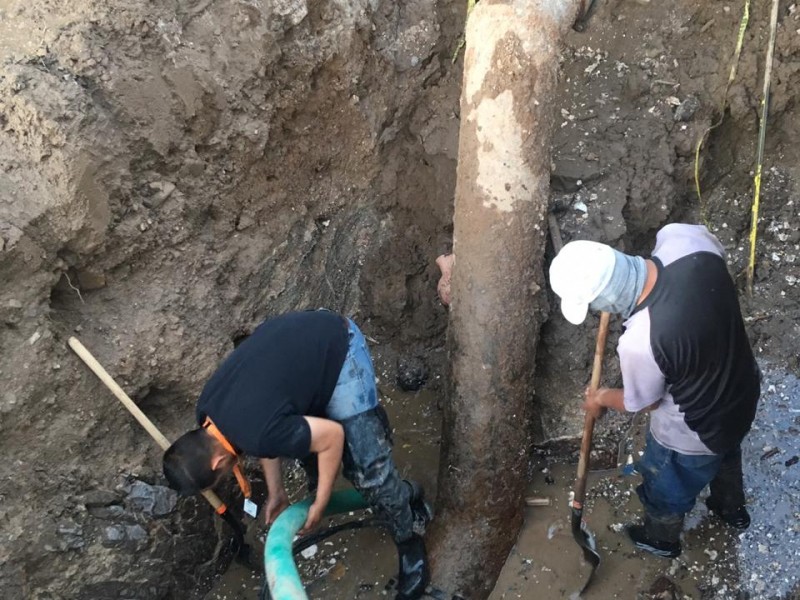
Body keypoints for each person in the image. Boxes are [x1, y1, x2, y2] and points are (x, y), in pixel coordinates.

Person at [163, 309, 431, 599]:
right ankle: (389, 482)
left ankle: (409, 543)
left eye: (221, 478)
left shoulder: (253, 433)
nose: (228, 475)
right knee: (310, 455)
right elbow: (264, 430)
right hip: (300, 347)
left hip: (338, 346)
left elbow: (331, 437)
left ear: (217, 463)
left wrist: (322, 500)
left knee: (369, 470)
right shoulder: (208, 413)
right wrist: (277, 491)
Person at [548, 223, 760, 558]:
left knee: (668, 485)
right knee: (726, 453)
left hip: (693, 431)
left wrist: (600, 397)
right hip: (742, 388)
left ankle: (661, 539)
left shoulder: (642, 341)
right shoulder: (684, 240)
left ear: (605, 299)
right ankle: (731, 509)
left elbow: (642, 402)